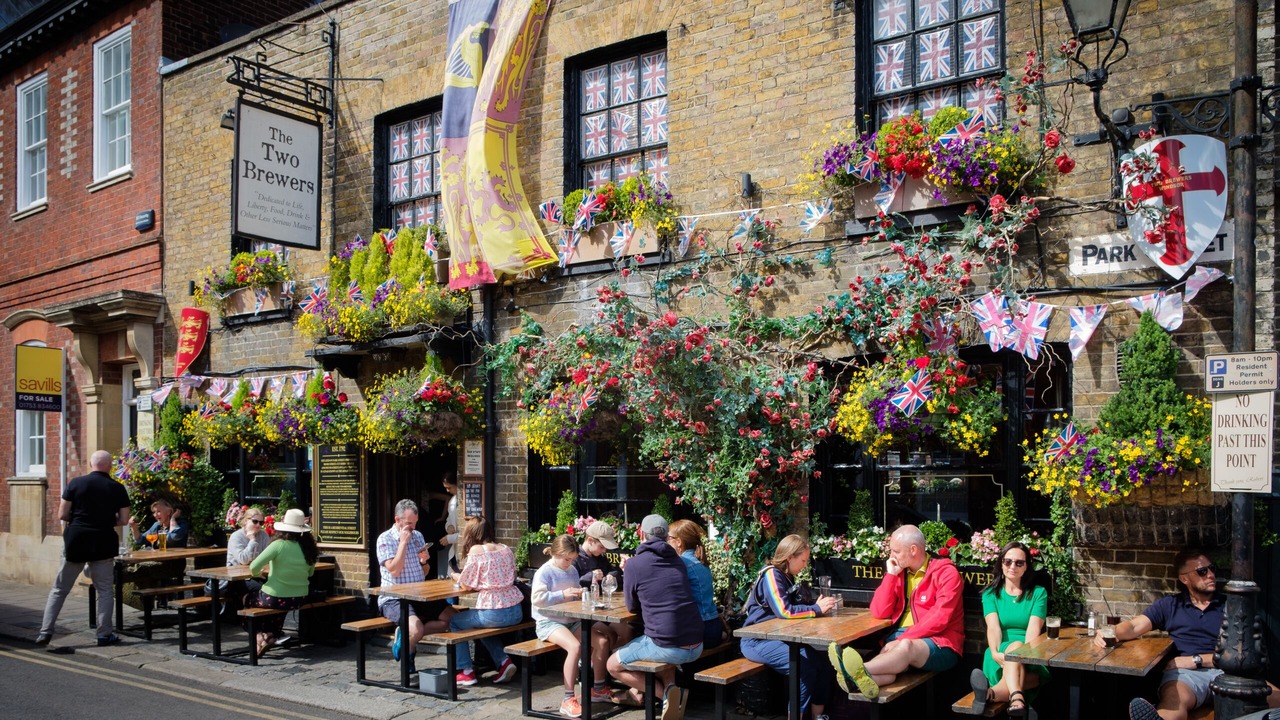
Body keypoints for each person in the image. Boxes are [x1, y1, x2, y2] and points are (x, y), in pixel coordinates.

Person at [1119, 548, 1280, 720]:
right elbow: (1133, 627)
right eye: (1202, 571)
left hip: (1228, 673)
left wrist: (1195, 660)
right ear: (1184, 579)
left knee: (1277, 697)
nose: (1210, 575)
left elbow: (1245, 654)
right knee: (1175, 701)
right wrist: (1111, 632)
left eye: (1212, 569)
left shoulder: (1231, 606)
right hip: (1186, 677)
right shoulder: (1171, 605)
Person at [833, 524, 964, 700]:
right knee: (888, 674)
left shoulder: (947, 573)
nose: (891, 556)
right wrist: (891, 576)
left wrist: (903, 638)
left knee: (906, 647)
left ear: (913, 550)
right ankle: (857, 678)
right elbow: (879, 611)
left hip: (942, 643)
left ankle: (853, 671)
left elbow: (940, 618)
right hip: (899, 640)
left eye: (895, 551)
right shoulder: (900, 572)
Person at [607, 514, 705, 720]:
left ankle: (667, 697)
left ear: (642, 534)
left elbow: (631, 606)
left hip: (667, 646)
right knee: (659, 646)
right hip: (696, 644)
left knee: (612, 665)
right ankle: (671, 688)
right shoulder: (678, 561)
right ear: (666, 537)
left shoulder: (635, 564)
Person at [36, 450, 131, 647]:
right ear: (110, 466)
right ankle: (104, 635)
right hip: (103, 540)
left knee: (59, 589)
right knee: (105, 590)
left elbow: (63, 514)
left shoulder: (75, 483)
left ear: (90, 464)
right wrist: (103, 521)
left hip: (77, 539)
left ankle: (45, 631)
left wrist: (81, 520)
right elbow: (123, 520)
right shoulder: (117, 488)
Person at [741, 534, 838, 720]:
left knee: (824, 665)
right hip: (758, 640)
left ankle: (819, 717)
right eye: (803, 560)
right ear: (790, 557)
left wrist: (813, 606)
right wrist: (816, 609)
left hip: (780, 638)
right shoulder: (772, 575)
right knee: (804, 668)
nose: (804, 565)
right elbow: (784, 611)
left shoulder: (787, 576)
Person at [970, 541, 1048, 718]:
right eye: (1008, 561)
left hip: (1029, 651)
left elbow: (1033, 630)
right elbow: (993, 627)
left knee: (1019, 651)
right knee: (1024, 673)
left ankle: (989, 694)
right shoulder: (991, 594)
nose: (1013, 566)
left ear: (1027, 566)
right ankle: (1017, 699)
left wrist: (1022, 657)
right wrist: (996, 653)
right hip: (999, 653)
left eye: (1019, 563)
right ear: (1001, 563)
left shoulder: (1038, 593)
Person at [448, 515, 523, 686]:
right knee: (479, 626)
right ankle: (504, 663)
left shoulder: (477, 551)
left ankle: (466, 671)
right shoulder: (505, 548)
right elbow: (513, 576)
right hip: (516, 610)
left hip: (494, 612)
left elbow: (466, 584)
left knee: (455, 622)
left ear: (471, 534)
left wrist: (454, 575)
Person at [377, 499, 446, 670]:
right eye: (409, 523)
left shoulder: (418, 536)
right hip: (394, 598)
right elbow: (394, 571)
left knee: (451, 620)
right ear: (397, 520)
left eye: (415, 523)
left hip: (419, 594)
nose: (412, 528)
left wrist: (424, 562)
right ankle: (409, 650)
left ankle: (404, 635)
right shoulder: (385, 539)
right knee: (416, 630)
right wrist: (402, 543)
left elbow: (424, 572)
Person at [243, 508, 318, 655]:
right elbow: (311, 572)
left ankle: (259, 635)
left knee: (248, 599)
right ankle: (270, 635)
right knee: (278, 606)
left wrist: (260, 574)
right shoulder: (308, 548)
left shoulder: (278, 545)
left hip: (275, 597)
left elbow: (253, 567)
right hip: (300, 598)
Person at [576, 519, 633, 704]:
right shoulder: (575, 557)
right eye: (602, 546)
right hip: (581, 612)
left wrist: (612, 575)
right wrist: (588, 577)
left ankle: (596, 664)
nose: (605, 550)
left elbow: (614, 573)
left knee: (627, 631)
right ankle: (595, 677)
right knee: (605, 637)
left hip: (601, 608)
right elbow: (571, 582)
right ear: (591, 540)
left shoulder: (600, 557)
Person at [531, 534, 587, 718]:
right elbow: (537, 599)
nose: (569, 563)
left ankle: (596, 688)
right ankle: (567, 699)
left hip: (570, 619)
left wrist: (579, 594)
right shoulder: (544, 572)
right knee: (575, 646)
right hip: (548, 621)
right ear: (556, 553)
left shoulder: (571, 570)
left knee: (600, 639)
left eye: (572, 559)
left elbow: (571, 593)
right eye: (566, 559)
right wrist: (564, 594)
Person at [667, 519, 725, 649]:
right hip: (712, 628)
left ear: (679, 542)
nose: (666, 542)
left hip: (698, 632)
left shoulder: (681, 564)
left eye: (668, 538)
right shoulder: (699, 561)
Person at [218, 506, 269, 614]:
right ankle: (249, 615)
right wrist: (252, 540)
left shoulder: (264, 535)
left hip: (257, 574)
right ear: (246, 520)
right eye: (255, 522)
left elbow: (267, 558)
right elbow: (243, 560)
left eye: (261, 523)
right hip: (237, 578)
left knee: (275, 587)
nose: (258, 525)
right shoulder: (236, 537)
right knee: (262, 589)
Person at [436, 472, 460, 573]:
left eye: (449, 487)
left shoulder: (467, 501)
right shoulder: (452, 501)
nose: (447, 490)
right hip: (455, 550)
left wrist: (450, 538)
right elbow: (448, 519)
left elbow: (471, 534)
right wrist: (448, 526)